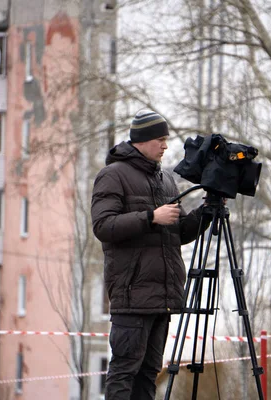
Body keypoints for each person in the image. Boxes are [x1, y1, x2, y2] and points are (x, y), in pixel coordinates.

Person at [91, 109, 207, 399]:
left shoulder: (165, 180)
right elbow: (103, 226)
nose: (165, 146)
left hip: (163, 298)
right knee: (124, 371)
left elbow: (177, 234)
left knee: (149, 373)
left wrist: (206, 213)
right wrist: (150, 217)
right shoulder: (112, 175)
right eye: (160, 139)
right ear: (141, 140)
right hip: (132, 296)